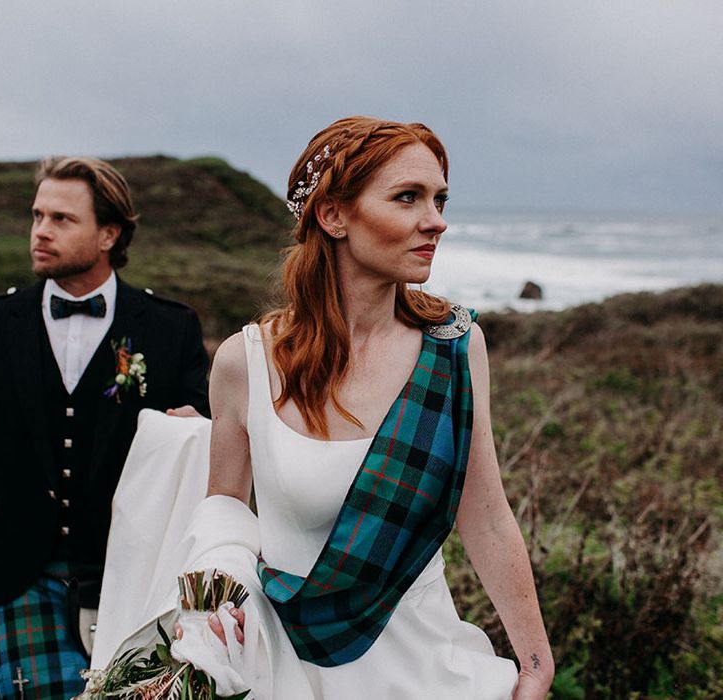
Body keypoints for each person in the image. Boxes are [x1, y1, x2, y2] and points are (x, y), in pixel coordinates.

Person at [198, 116, 554, 698]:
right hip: (286, 665)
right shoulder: (247, 362)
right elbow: (225, 506)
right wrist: (213, 602)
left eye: (439, 198)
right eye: (407, 197)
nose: (436, 220)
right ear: (333, 215)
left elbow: (486, 514)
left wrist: (536, 663)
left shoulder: (457, 350)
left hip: (429, 670)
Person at [0, 156, 211, 698]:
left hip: (134, 573)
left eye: (62, 219)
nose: (40, 231)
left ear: (109, 234)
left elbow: (202, 450)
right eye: (37, 215)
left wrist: (194, 425)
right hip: (19, 572)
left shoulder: (169, 328)